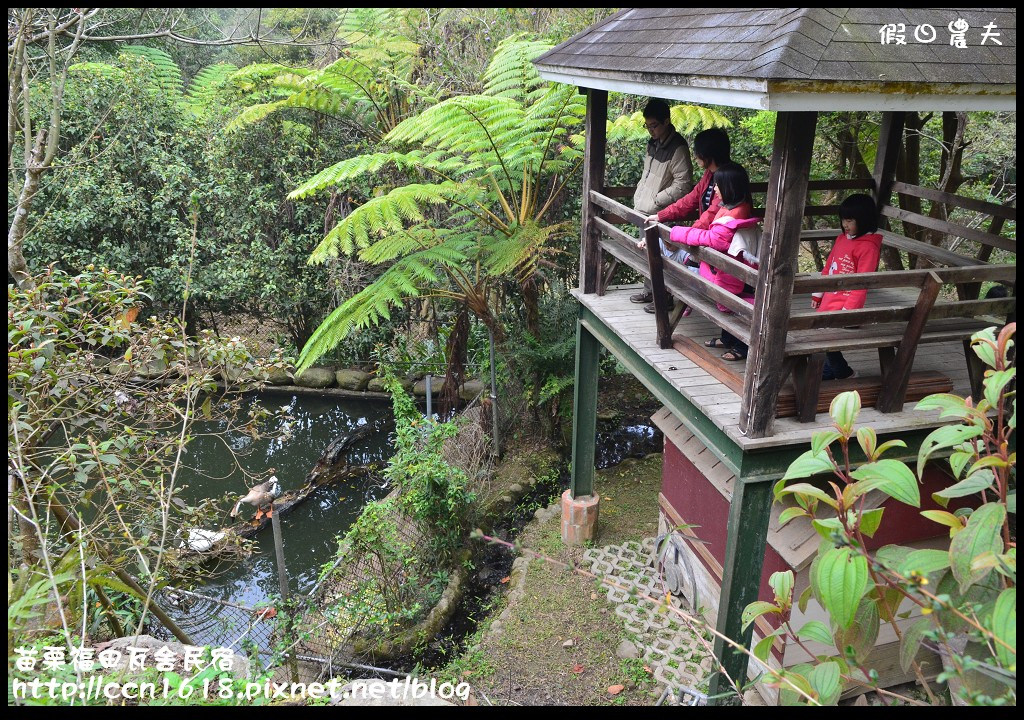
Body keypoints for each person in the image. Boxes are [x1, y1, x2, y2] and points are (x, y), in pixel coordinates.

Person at [648, 162, 759, 361]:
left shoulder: (733, 216)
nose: (715, 190)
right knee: (728, 300)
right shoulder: (735, 207)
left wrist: (676, 232)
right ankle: (728, 339)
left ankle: (741, 347)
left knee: (735, 307)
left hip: (730, 274)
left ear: (729, 187)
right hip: (729, 270)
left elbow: (712, 238)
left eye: (718, 186)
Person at [631, 127, 731, 311]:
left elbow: (711, 215)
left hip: (719, 243)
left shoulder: (726, 178)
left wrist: (686, 236)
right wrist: (661, 215)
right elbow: (691, 199)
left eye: (697, 153)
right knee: (664, 246)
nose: (695, 156)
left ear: (709, 154)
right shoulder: (710, 175)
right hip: (706, 237)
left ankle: (679, 300)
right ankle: (668, 296)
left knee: (675, 253)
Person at [812, 194, 883, 381]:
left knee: (826, 338)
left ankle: (843, 373)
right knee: (822, 337)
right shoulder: (842, 239)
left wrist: (848, 311)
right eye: (843, 219)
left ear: (864, 220)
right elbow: (828, 267)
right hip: (830, 299)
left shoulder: (869, 247)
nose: (845, 224)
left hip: (846, 305)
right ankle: (830, 374)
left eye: (850, 220)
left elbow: (862, 284)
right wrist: (818, 294)